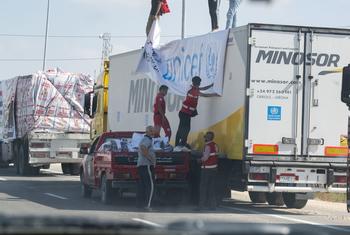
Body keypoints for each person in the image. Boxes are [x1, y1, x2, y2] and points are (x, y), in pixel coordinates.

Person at [175, 76, 216, 148]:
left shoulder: (193, 88)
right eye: (200, 82)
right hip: (185, 113)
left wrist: (211, 85)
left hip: (184, 113)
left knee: (181, 129)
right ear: (198, 83)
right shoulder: (195, 91)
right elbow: (204, 95)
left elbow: (203, 89)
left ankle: (179, 144)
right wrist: (215, 94)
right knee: (185, 129)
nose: (200, 83)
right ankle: (182, 144)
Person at [196, 131, 219, 211]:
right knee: (211, 188)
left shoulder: (208, 146)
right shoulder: (215, 145)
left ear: (208, 138)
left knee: (203, 188)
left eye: (205, 136)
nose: (205, 137)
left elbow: (205, 157)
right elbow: (215, 154)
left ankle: (201, 206)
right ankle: (213, 206)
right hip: (214, 169)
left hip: (207, 169)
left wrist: (199, 160)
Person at [136, 126, 156, 211]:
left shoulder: (146, 139)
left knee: (142, 186)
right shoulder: (147, 139)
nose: (152, 132)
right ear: (147, 132)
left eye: (153, 131)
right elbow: (143, 147)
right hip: (146, 165)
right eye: (151, 131)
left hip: (142, 165)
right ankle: (148, 205)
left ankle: (140, 204)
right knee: (150, 186)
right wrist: (151, 158)